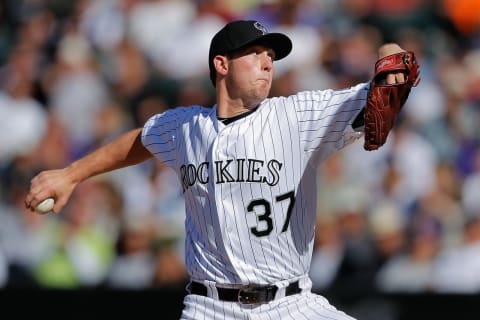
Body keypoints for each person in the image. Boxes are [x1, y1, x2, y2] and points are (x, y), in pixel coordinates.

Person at [25, 20, 413, 319]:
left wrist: (389, 51)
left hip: (289, 304)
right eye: (256, 52)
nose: (268, 62)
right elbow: (139, 141)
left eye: (271, 57)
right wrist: (71, 174)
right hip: (210, 307)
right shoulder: (185, 127)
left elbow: (384, 82)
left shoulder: (295, 116)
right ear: (221, 64)